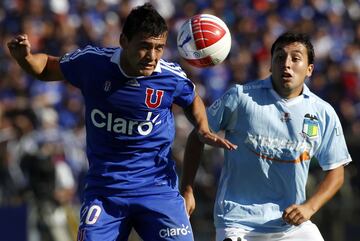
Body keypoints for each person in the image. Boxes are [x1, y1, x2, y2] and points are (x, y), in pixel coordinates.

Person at [7, 3, 237, 241]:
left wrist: (202, 127)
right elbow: (46, 67)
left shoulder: (170, 77)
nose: (152, 56)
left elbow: (192, 99)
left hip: (158, 190)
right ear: (124, 40)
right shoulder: (93, 64)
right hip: (106, 192)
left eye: (159, 48)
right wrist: (25, 58)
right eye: (144, 46)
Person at [180, 32, 352, 241]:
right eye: (280, 57)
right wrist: (187, 189)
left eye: (295, 58)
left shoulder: (322, 113)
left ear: (309, 69)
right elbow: (197, 135)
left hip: (291, 226)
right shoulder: (241, 97)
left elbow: (336, 171)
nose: (286, 64)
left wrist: (309, 207)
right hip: (237, 223)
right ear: (270, 65)